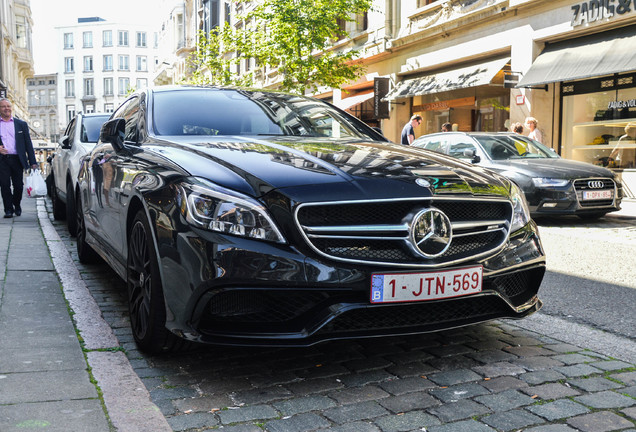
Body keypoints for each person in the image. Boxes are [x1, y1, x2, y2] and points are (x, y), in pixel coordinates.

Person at [0, 98, 38, 218]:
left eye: (8, 106)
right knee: (4, 185)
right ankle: (8, 210)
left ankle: (16, 204)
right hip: (2, 160)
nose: (7, 108)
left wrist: (33, 162)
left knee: (18, 186)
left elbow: (28, 144)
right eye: (3, 106)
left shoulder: (21, 124)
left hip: (17, 159)